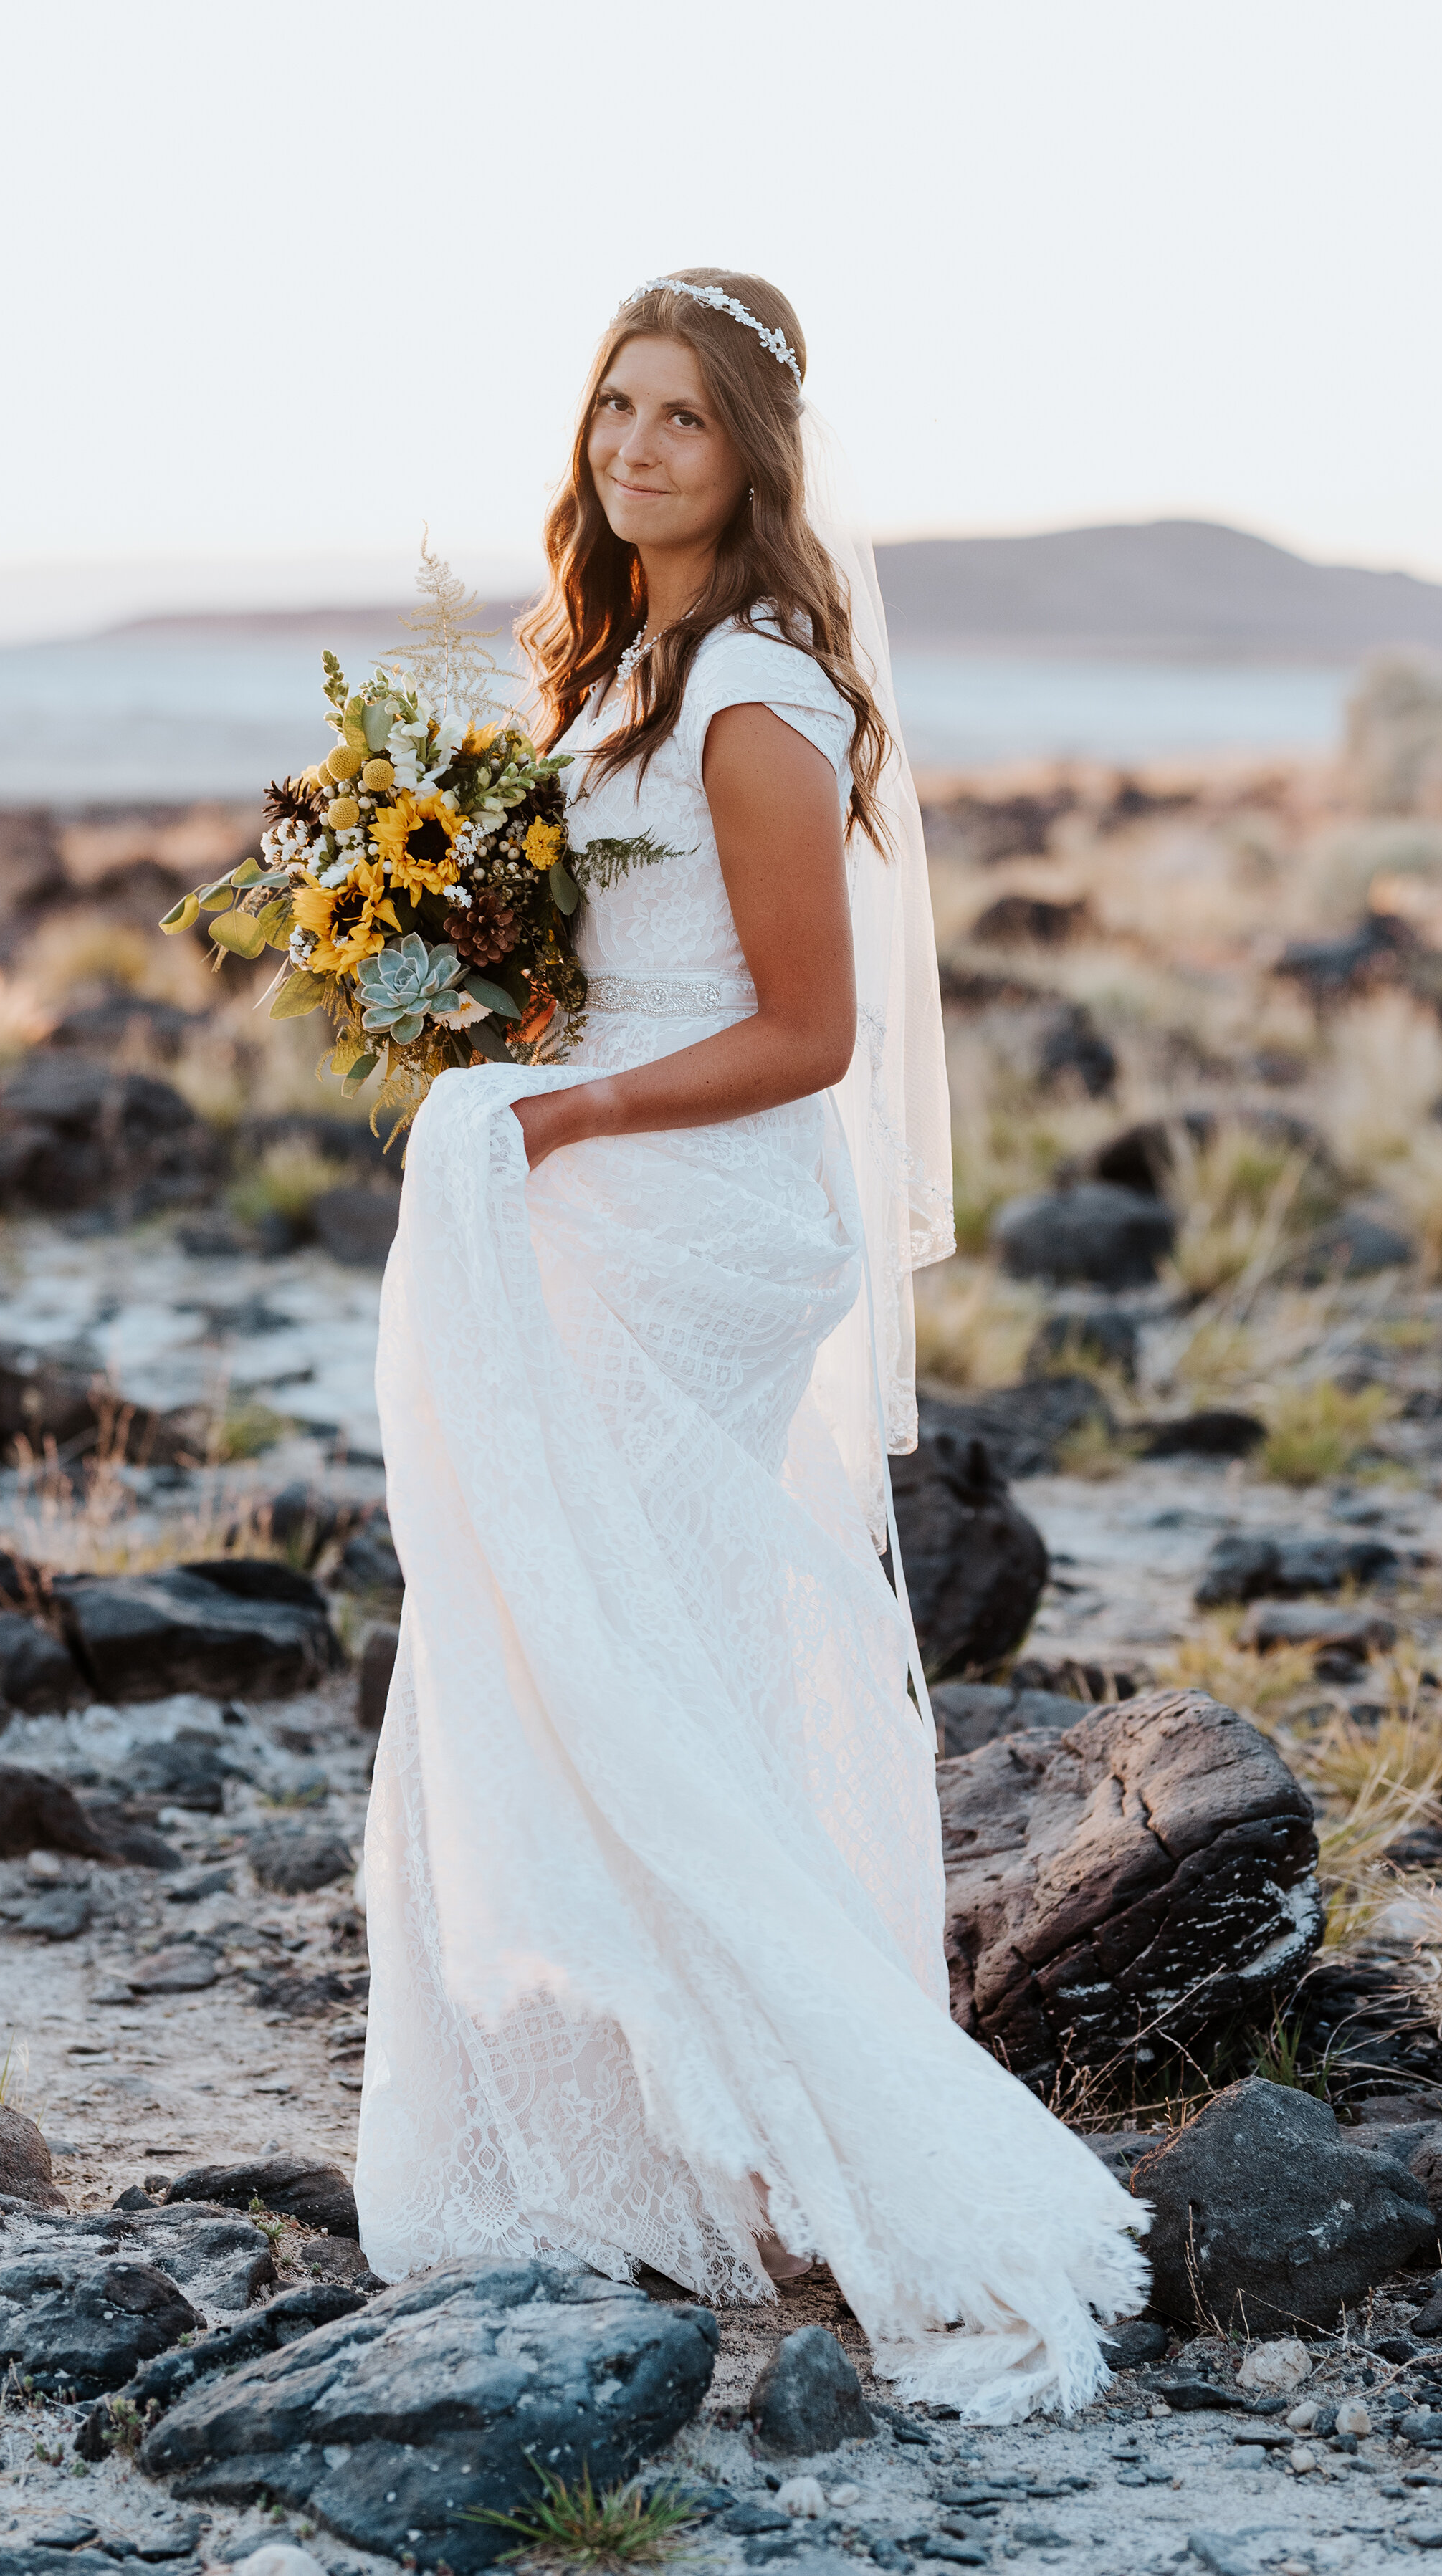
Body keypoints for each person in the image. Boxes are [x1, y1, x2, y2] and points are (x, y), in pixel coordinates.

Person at [354, 269, 1149, 2421]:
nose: (636, 447)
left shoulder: (759, 690)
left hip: (696, 1212)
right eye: (615, 407)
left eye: (683, 419)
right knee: (574, 1630)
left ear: (752, 458)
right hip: (599, 1172)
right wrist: (479, 1007)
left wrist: (568, 1106)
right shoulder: (619, 665)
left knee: (616, 1642)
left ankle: (820, 2119)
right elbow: (627, 961)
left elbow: (806, 1032)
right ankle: (656, 2117)